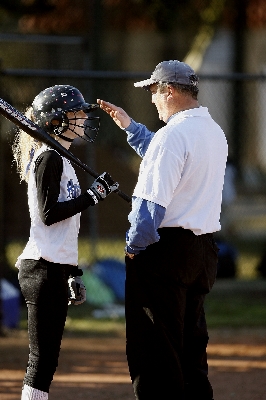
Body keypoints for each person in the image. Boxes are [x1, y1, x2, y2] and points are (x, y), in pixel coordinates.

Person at [97, 60, 228, 400]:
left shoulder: (172, 136)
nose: (152, 98)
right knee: (189, 348)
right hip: (202, 252)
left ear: (169, 91)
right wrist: (131, 127)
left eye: (154, 91)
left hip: (164, 253)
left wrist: (133, 248)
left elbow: (148, 209)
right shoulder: (213, 130)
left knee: (155, 354)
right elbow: (167, 155)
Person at [12, 85, 119, 400]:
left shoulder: (64, 158)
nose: (84, 116)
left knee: (47, 360)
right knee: (41, 360)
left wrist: (71, 273)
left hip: (54, 267)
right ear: (56, 121)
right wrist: (92, 196)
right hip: (41, 268)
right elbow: (48, 215)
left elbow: (64, 229)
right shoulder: (49, 158)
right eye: (77, 111)